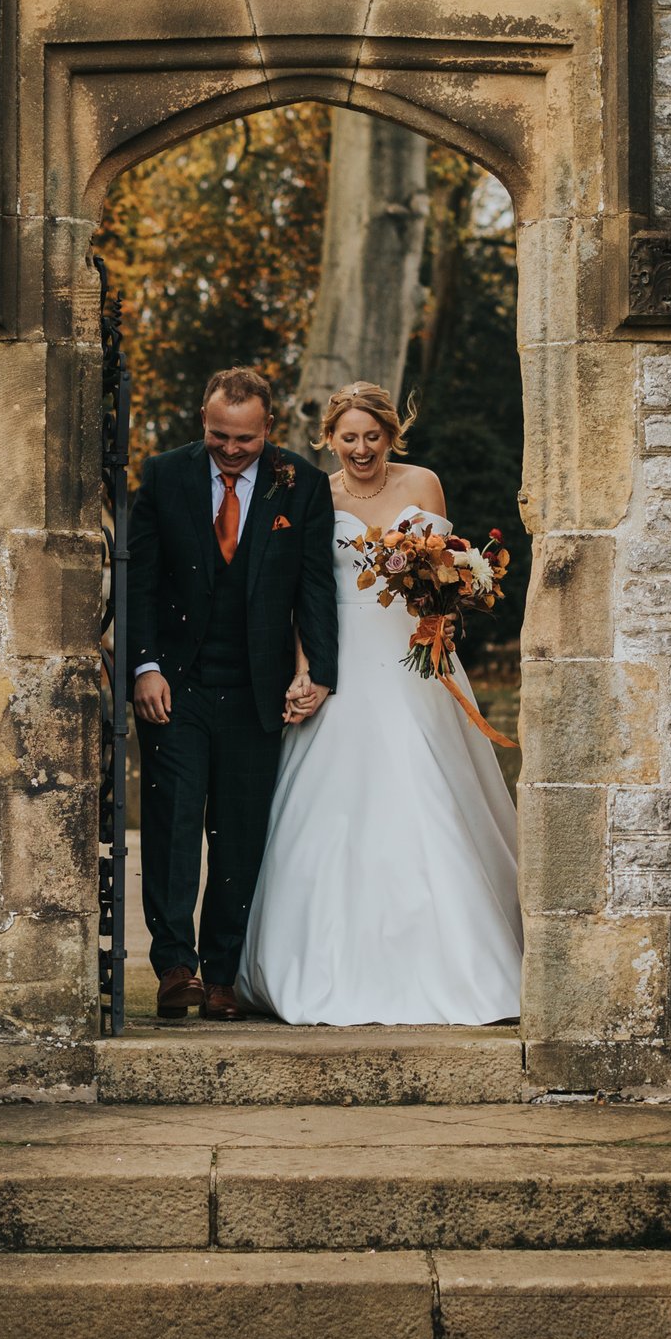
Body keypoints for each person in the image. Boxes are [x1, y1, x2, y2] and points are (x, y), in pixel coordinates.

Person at [235, 382, 521, 1025]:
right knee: (331, 801)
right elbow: (306, 592)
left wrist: (453, 593)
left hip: (417, 656)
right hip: (343, 658)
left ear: (392, 435)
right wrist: (308, 672)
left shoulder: (424, 484)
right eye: (348, 437)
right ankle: (317, 963)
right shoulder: (315, 493)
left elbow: (454, 573)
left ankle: (457, 959)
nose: (361, 449)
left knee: (427, 787)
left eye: (373, 436)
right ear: (329, 439)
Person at [127, 368, 340, 1021]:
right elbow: (137, 578)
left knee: (241, 832)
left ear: (268, 427)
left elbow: (314, 586)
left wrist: (321, 671)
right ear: (202, 418)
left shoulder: (301, 483)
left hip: (258, 688)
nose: (230, 448)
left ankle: (222, 973)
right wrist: (145, 666)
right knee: (173, 824)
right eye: (218, 434)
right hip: (177, 685)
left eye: (244, 438)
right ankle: (175, 968)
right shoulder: (164, 475)